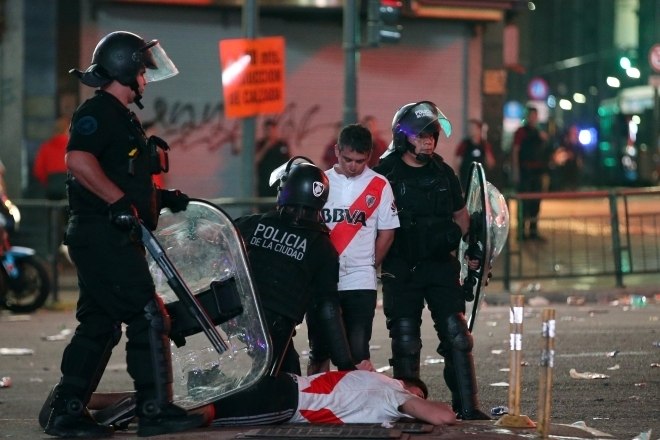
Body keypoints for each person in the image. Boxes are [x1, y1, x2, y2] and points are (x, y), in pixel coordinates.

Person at [42, 31, 203, 438]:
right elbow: (78, 160)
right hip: (103, 234)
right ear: (126, 70)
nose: (147, 80)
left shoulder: (121, 115)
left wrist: (161, 198)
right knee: (148, 315)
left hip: (107, 233)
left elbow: (120, 173)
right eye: (143, 72)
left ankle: (68, 410)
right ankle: (155, 410)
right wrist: (118, 203)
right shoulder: (98, 111)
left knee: (100, 324)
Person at [373, 101, 490, 421]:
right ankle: (409, 409)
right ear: (403, 137)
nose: (428, 140)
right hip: (402, 266)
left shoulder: (444, 173)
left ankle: (468, 406)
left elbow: (461, 217)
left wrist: (473, 250)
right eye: (421, 135)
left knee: (457, 334)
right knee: (406, 339)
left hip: (440, 265)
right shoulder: (385, 174)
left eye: (432, 134)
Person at [234, 158, 359, 376]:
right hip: (276, 331)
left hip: (237, 320)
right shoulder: (322, 248)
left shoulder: (255, 223)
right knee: (286, 386)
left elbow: (218, 240)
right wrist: (345, 364)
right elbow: (328, 310)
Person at [307, 124, 399, 374]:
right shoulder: (320, 183)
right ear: (336, 151)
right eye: (348, 159)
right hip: (323, 279)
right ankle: (316, 408)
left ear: (369, 156)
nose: (353, 165)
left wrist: (369, 265)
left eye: (360, 160)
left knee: (358, 352)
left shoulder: (380, 185)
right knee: (319, 350)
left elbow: (387, 232)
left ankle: (355, 410)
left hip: (361, 279)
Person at [83, 371, 457, 427]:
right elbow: (443, 418)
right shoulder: (394, 393)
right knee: (198, 413)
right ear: (408, 387)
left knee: (184, 395)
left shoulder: (367, 376)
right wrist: (418, 403)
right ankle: (126, 416)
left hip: (278, 379)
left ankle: (91, 400)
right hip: (285, 402)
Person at [511, 106, 550, 241]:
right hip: (525, 172)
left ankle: (533, 231)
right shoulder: (521, 132)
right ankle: (522, 233)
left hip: (537, 172)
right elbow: (515, 151)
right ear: (527, 117)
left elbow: (544, 153)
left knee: (535, 203)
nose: (533, 118)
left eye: (535, 116)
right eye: (531, 116)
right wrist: (516, 170)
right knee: (524, 203)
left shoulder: (539, 133)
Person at [33, 115, 70, 200]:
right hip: (69, 185)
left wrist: (47, 182)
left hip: (52, 185)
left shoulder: (45, 147)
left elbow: (38, 170)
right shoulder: (72, 147)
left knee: (51, 208)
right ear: (67, 130)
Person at [255, 118, 290, 206]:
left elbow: (289, 162)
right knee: (264, 208)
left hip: (279, 183)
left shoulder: (282, 145)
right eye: (268, 130)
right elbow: (256, 160)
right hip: (265, 183)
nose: (270, 133)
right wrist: (266, 147)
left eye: (272, 130)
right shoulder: (261, 144)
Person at [454, 119, 495, 192]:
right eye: (469, 128)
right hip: (465, 181)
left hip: (480, 182)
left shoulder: (485, 146)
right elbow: (457, 163)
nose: (471, 130)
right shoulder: (464, 145)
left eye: (473, 128)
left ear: (479, 130)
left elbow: (491, 163)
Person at [550, 124, 582, 191]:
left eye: (576, 133)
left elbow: (580, 164)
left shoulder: (579, 148)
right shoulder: (561, 145)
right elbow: (556, 160)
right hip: (561, 180)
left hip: (573, 180)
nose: (575, 135)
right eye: (573, 133)